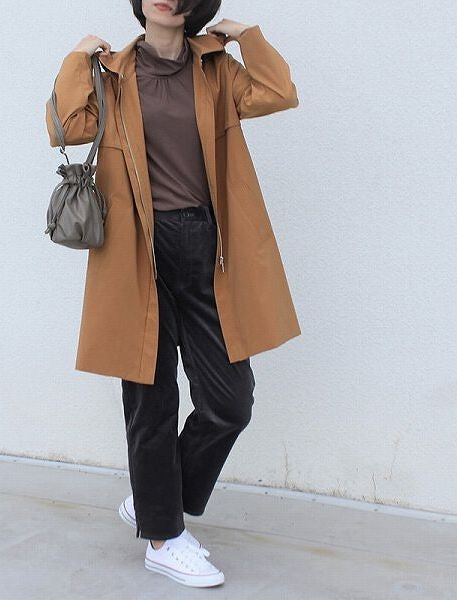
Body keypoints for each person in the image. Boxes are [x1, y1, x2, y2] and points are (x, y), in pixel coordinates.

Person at [46, 0, 300, 588]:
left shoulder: (216, 70)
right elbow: (65, 127)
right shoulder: (111, 74)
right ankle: (163, 538)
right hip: (137, 250)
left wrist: (247, 35)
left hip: (209, 248)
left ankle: (152, 499)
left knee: (230, 403)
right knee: (150, 399)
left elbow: (278, 92)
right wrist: (76, 60)